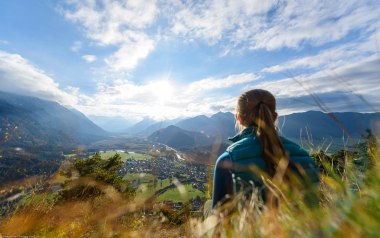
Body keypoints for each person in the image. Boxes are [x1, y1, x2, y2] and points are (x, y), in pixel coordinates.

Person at [211, 89, 320, 209]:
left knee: (207, 206)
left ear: (239, 118)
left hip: (250, 227)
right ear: (274, 117)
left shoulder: (228, 159)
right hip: (301, 227)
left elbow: (219, 217)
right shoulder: (304, 157)